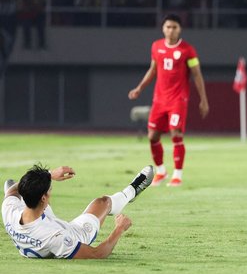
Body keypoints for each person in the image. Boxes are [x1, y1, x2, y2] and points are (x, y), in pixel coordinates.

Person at [2, 164, 154, 259]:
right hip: (73, 233)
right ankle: (132, 191)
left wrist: (49, 174)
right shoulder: (56, 237)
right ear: (43, 197)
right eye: (50, 189)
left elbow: (10, 192)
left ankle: (29, 188)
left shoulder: (9, 210)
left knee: (11, 189)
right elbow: (98, 254)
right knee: (102, 202)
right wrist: (120, 228)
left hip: (38, 224)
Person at [128, 14, 209, 187]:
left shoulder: (188, 50)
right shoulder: (156, 47)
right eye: (168, 27)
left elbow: (197, 75)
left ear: (180, 29)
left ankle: (177, 175)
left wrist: (203, 99)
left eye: (174, 27)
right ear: (163, 28)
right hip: (159, 100)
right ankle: (161, 172)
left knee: (176, 133)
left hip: (178, 100)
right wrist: (139, 88)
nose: (171, 30)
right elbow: (153, 69)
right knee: (152, 137)